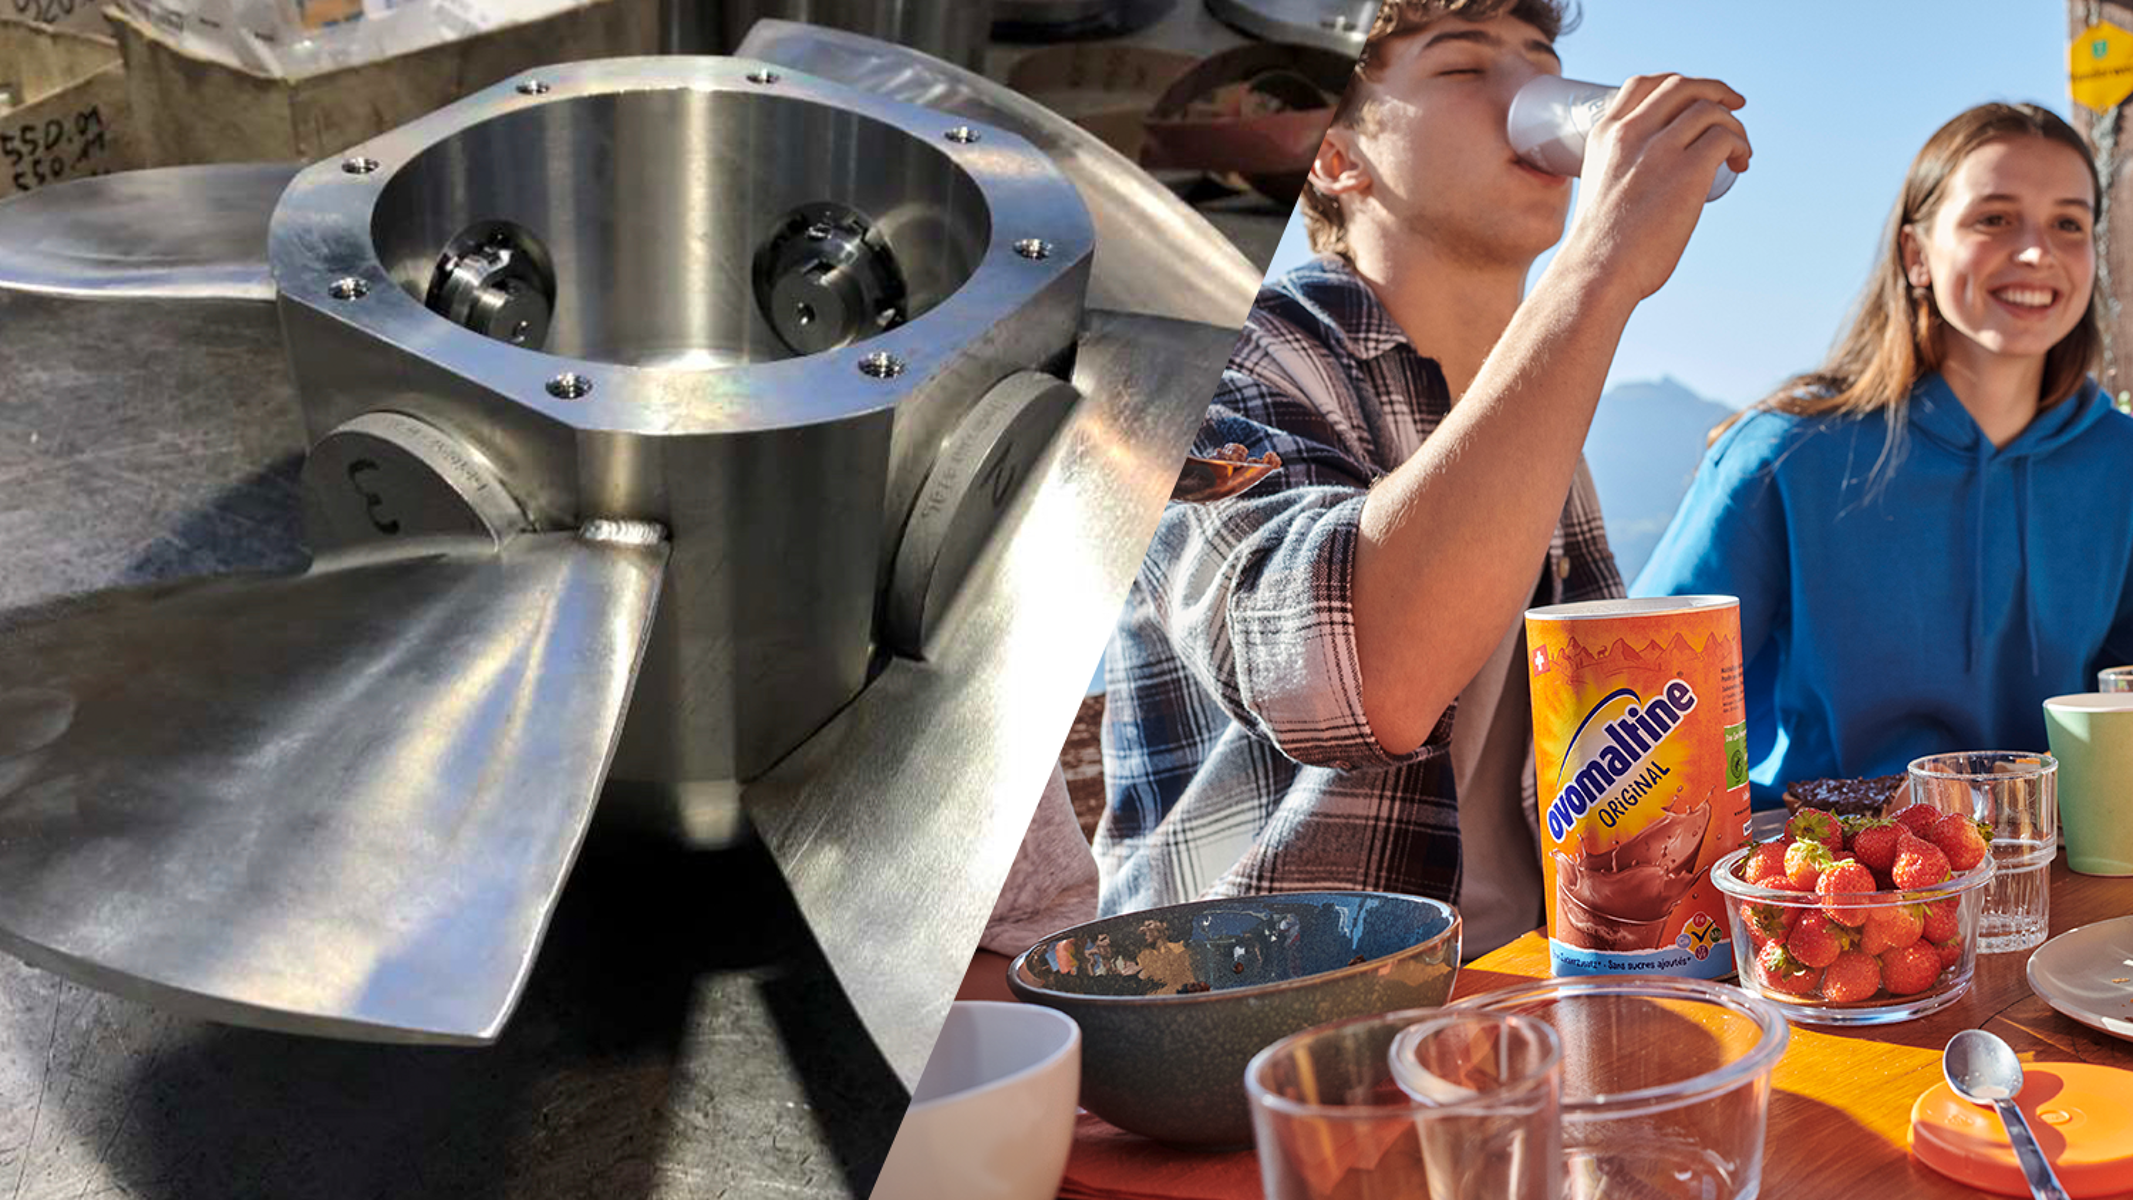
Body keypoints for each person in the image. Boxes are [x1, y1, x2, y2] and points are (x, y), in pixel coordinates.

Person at [1093, 0, 1751, 958]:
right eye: (1462, 67)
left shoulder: (1532, 397)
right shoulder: (1228, 363)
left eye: (1540, 61)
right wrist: (1599, 265)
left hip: (1522, 980)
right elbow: (1360, 679)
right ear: (1334, 156)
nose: (1527, 93)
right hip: (1253, 1002)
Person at [1635, 103, 2133, 808]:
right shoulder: (1785, 455)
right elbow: (1644, 697)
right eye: (1993, 218)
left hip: (2051, 863)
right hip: (1825, 862)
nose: (2035, 252)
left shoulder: (2119, 463)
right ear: (1915, 254)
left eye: (2068, 224)